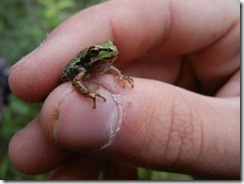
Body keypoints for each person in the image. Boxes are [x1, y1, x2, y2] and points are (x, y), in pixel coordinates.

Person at [8, 0, 240, 180]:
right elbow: (78, 82)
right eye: (99, 52)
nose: (108, 54)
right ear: (92, 56)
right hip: (64, 84)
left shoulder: (105, 64)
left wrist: (119, 75)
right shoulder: (83, 69)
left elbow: (111, 70)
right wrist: (88, 93)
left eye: (109, 50)